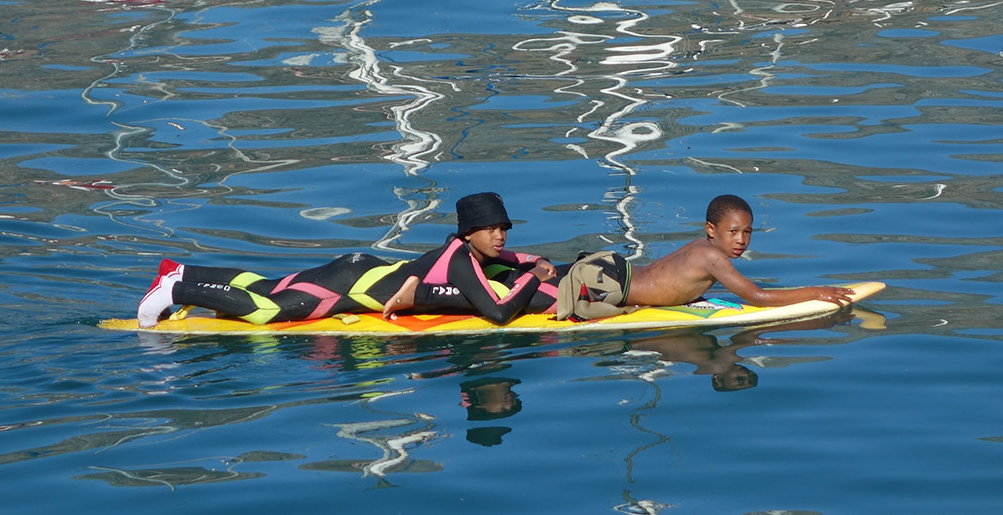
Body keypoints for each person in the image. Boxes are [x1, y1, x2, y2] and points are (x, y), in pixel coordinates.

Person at [389, 194, 855, 319]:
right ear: (711, 230)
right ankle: (426, 295)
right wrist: (820, 291)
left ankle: (441, 283)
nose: (741, 241)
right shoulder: (713, 257)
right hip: (606, 283)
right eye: (734, 232)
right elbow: (755, 297)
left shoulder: (701, 249)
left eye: (748, 233)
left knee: (529, 279)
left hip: (609, 270)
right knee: (524, 302)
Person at [136, 192, 558, 328]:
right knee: (270, 310)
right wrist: (535, 278)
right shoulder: (463, 262)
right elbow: (498, 314)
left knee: (267, 284)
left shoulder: (460, 249)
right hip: (349, 286)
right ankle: (176, 288)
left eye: (504, 228)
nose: (500, 236)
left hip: (359, 267)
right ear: (470, 233)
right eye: (492, 230)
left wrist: (530, 261)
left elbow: (511, 257)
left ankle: (181, 269)